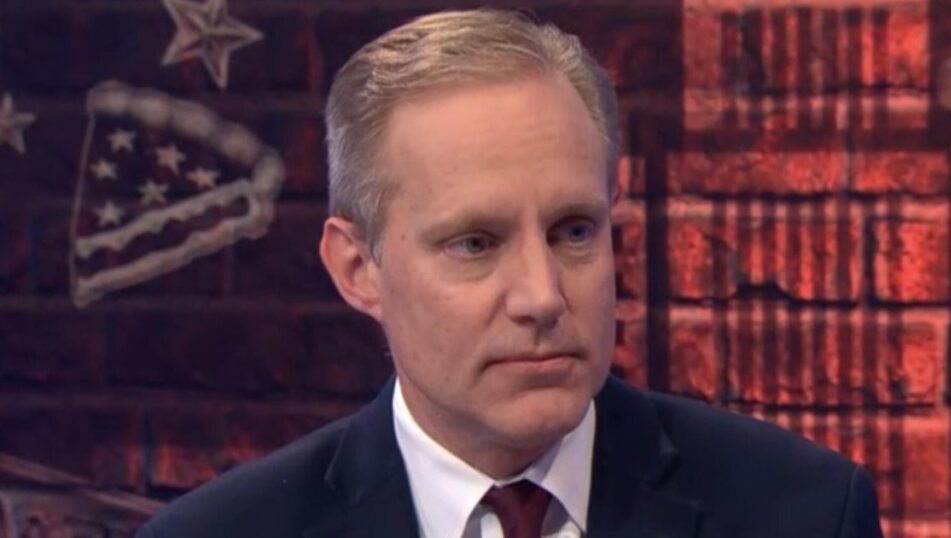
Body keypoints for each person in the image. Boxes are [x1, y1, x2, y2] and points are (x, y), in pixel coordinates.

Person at [135, 9, 883, 538]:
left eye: (574, 231)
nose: (542, 296)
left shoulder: (806, 513)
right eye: (475, 243)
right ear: (358, 269)